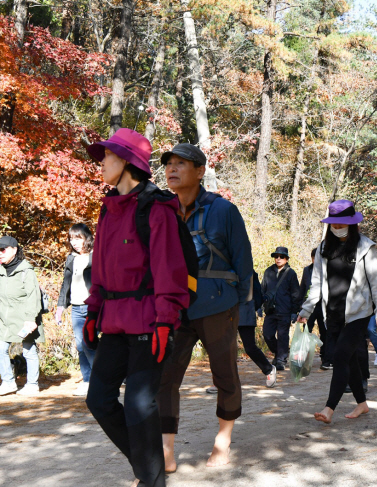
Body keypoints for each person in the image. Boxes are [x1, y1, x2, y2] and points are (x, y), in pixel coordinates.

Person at [83, 128, 190, 487]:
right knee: (98, 400)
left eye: (107, 157)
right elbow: (99, 268)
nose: (101, 163)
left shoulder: (156, 209)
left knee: (139, 407)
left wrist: (165, 322)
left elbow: (169, 271)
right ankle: (149, 470)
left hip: (149, 324)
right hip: (114, 324)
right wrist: (94, 309)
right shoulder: (108, 210)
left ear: (128, 162)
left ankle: (151, 480)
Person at [155, 143, 256, 473]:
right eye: (169, 163)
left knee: (224, 374)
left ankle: (222, 441)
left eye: (181, 164)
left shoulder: (223, 210)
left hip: (217, 305)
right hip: (174, 306)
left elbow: (244, 261)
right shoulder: (162, 209)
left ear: (200, 171)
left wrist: (237, 304)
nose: (172, 168)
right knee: (165, 377)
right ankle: (166, 449)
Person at [297, 199, 377, 424]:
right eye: (333, 225)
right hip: (333, 313)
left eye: (341, 224)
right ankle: (362, 404)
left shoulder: (366, 247)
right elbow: (316, 282)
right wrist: (306, 310)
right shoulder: (323, 248)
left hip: (358, 313)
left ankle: (329, 408)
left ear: (352, 223)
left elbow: (376, 282)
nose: (337, 228)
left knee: (339, 357)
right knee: (351, 360)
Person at [0, 236, 43, 396]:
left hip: (25, 317)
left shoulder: (26, 271)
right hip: (5, 319)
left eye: (3, 249)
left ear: (15, 250)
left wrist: (31, 318)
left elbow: (33, 297)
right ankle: (8, 383)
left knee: (29, 351)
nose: (0, 253)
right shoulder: (1, 270)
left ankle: (32, 384)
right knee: (0, 348)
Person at [57, 223, 95, 396]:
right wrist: (60, 307)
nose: (74, 242)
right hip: (77, 307)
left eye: (78, 238)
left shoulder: (96, 256)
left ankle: (101, 378)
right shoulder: (71, 258)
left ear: (86, 238)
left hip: (94, 306)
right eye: (72, 239)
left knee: (91, 343)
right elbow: (66, 284)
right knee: (81, 345)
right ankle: (87, 380)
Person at [261, 247, 302, 370]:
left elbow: (296, 294)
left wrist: (294, 312)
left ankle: (281, 361)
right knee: (267, 335)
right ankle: (279, 353)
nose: (278, 259)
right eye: (276, 256)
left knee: (283, 336)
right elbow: (262, 290)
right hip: (270, 310)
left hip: (285, 310)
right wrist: (259, 306)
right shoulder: (268, 271)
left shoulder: (291, 273)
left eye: (281, 256)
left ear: (287, 259)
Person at [301, 248, 329, 368]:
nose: (315, 260)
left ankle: (326, 358)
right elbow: (302, 287)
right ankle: (303, 358)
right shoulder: (307, 270)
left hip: (324, 306)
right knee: (306, 331)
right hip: (309, 306)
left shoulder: (328, 270)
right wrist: (301, 307)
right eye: (313, 258)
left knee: (325, 333)